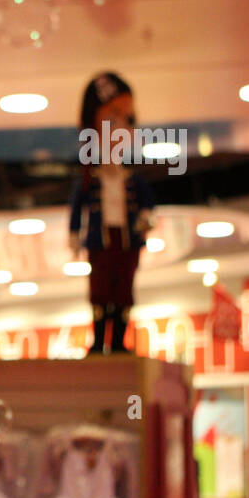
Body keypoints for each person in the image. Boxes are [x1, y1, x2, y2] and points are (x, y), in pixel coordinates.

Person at [68, 72, 156, 355]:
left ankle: (118, 341)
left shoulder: (133, 180)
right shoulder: (90, 180)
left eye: (127, 120)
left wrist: (145, 219)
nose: (120, 129)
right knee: (100, 289)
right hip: (100, 242)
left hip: (127, 241)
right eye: (112, 118)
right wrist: (73, 234)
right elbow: (77, 208)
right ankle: (98, 339)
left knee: (123, 290)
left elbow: (147, 206)